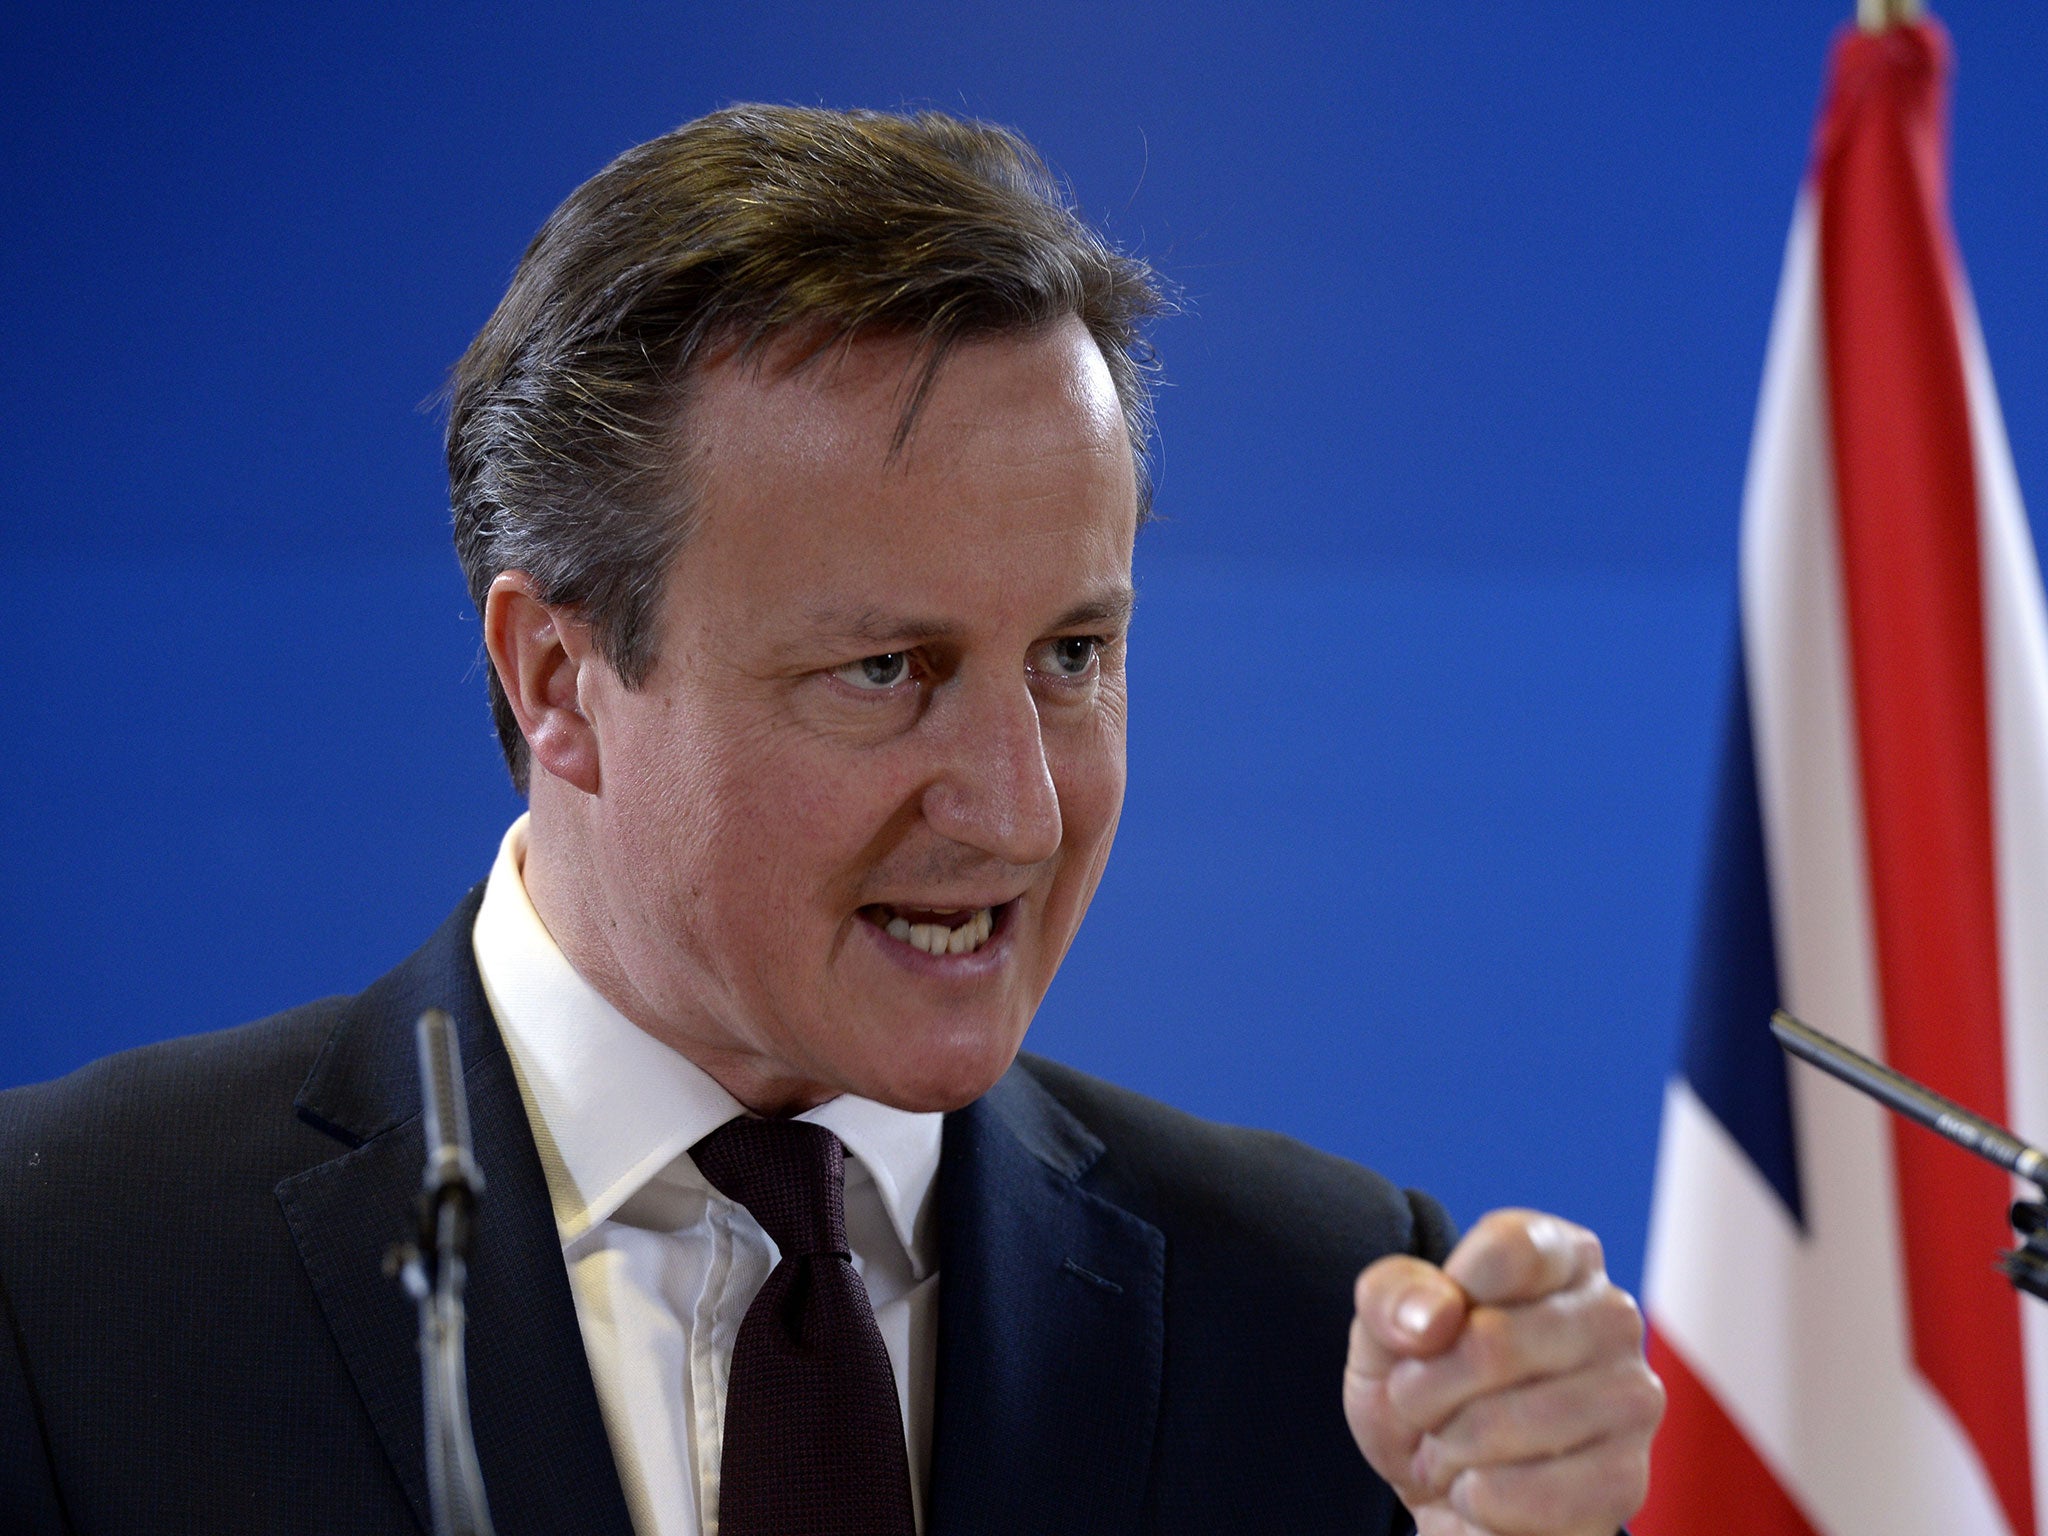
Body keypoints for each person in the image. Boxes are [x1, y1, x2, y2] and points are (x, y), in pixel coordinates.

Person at [0, 106, 1660, 1534]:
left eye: (1074, 654)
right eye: (885, 669)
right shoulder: (67, 1281)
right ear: (558, 677)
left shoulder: (1324, 1323)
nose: (1018, 807)